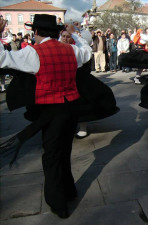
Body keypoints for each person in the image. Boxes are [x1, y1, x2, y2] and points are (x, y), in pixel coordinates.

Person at [0, 14, 92, 218]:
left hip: (51, 110)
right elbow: (87, 52)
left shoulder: (33, 52)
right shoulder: (71, 49)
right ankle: (69, 191)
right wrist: (75, 35)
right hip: (72, 107)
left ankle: (58, 203)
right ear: (57, 31)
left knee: (51, 156)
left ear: (35, 32)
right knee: (64, 151)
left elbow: (3, 59)